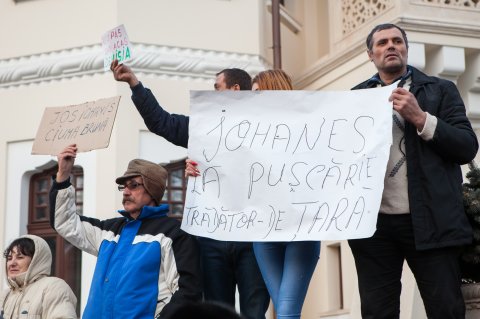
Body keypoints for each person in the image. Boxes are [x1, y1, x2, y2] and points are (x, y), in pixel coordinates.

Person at [111, 61, 270, 319]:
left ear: (235, 89)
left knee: (254, 312)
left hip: (252, 237)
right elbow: (160, 122)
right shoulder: (200, 129)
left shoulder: (268, 130)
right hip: (212, 238)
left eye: (216, 87)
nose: (211, 92)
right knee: (219, 313)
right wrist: (135, 85)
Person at [348, 23, 479, 319]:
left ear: (406, 49)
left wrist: (421, 118)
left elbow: (466, 147)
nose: (390, 46)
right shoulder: (355, 99)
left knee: (445, 309)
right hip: (373, 227)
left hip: (432, 219)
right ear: (371, 54)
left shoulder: (440, 89)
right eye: (382, 43)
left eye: (397, 41)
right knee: (377, 312)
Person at [185, 69, 321, 319]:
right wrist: (198, 165)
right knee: (281, 308)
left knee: (288, 311)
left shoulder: (307, 126)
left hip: (300, 231)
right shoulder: (244, 132)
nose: (252, 98)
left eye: (258, 93)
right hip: (263, 234)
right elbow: (226, 167)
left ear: (275, 91)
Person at [49, 144, 202, 319]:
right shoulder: (108, 231)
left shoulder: (173, 234)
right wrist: (63, 175)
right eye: (124, 187)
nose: (126, 191)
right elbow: (64, 222)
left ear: (152, 189)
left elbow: (187, 292)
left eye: (134, 185)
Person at [0, 235, 77, 319]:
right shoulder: (5, 295)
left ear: (36, 260)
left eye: (20, 257)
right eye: (9, 258)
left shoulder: (53, 287)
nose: (12, 263)